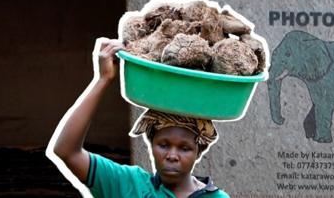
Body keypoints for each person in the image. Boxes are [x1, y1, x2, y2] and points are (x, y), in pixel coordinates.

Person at [46, 38, 230, 198]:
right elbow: (67, 152)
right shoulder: (127, 184)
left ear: (199, 151)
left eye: (184, 148)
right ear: (151, 143)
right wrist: (103, 79)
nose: (172, 156)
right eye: (163, 145)